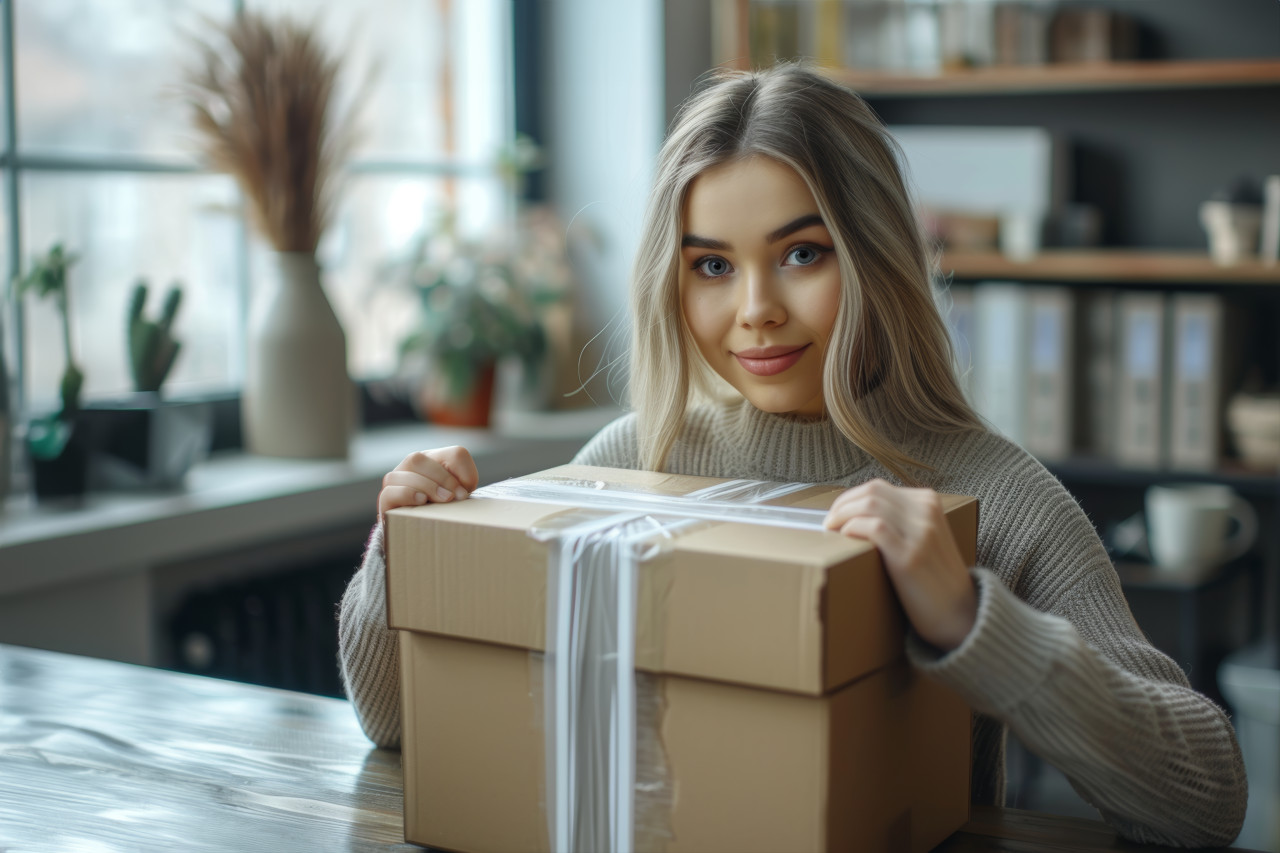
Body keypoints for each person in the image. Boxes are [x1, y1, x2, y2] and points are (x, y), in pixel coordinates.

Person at [338, 63, 1246, 847]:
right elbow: (389, 724)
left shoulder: (992, 494)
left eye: (802, 253)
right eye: (712, 266)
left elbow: (1207, 796)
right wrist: (402, 549)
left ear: (877, 255)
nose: (756, 308)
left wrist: (971, 619)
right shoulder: (638, 455)